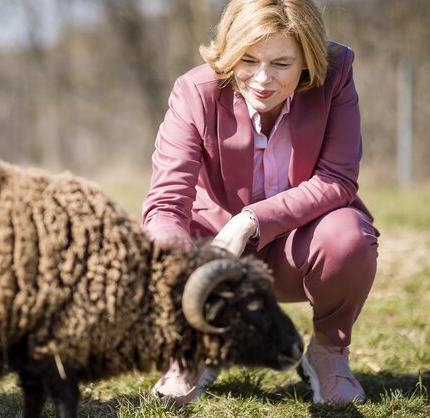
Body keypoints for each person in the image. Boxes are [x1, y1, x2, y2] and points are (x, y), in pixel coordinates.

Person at [141, 0, 379, 406]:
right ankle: (191, 352)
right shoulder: (194, 92)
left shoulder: (336, 76)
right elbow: (165, 204)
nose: (262, 79)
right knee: (166, 247)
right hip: (213, 256)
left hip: (295, 249)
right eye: (248, 60)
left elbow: (337, 178)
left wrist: (249, 220)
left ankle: (327, 354)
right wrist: (181, 272)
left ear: (308, 58)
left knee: (349, 236)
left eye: (282, 64)